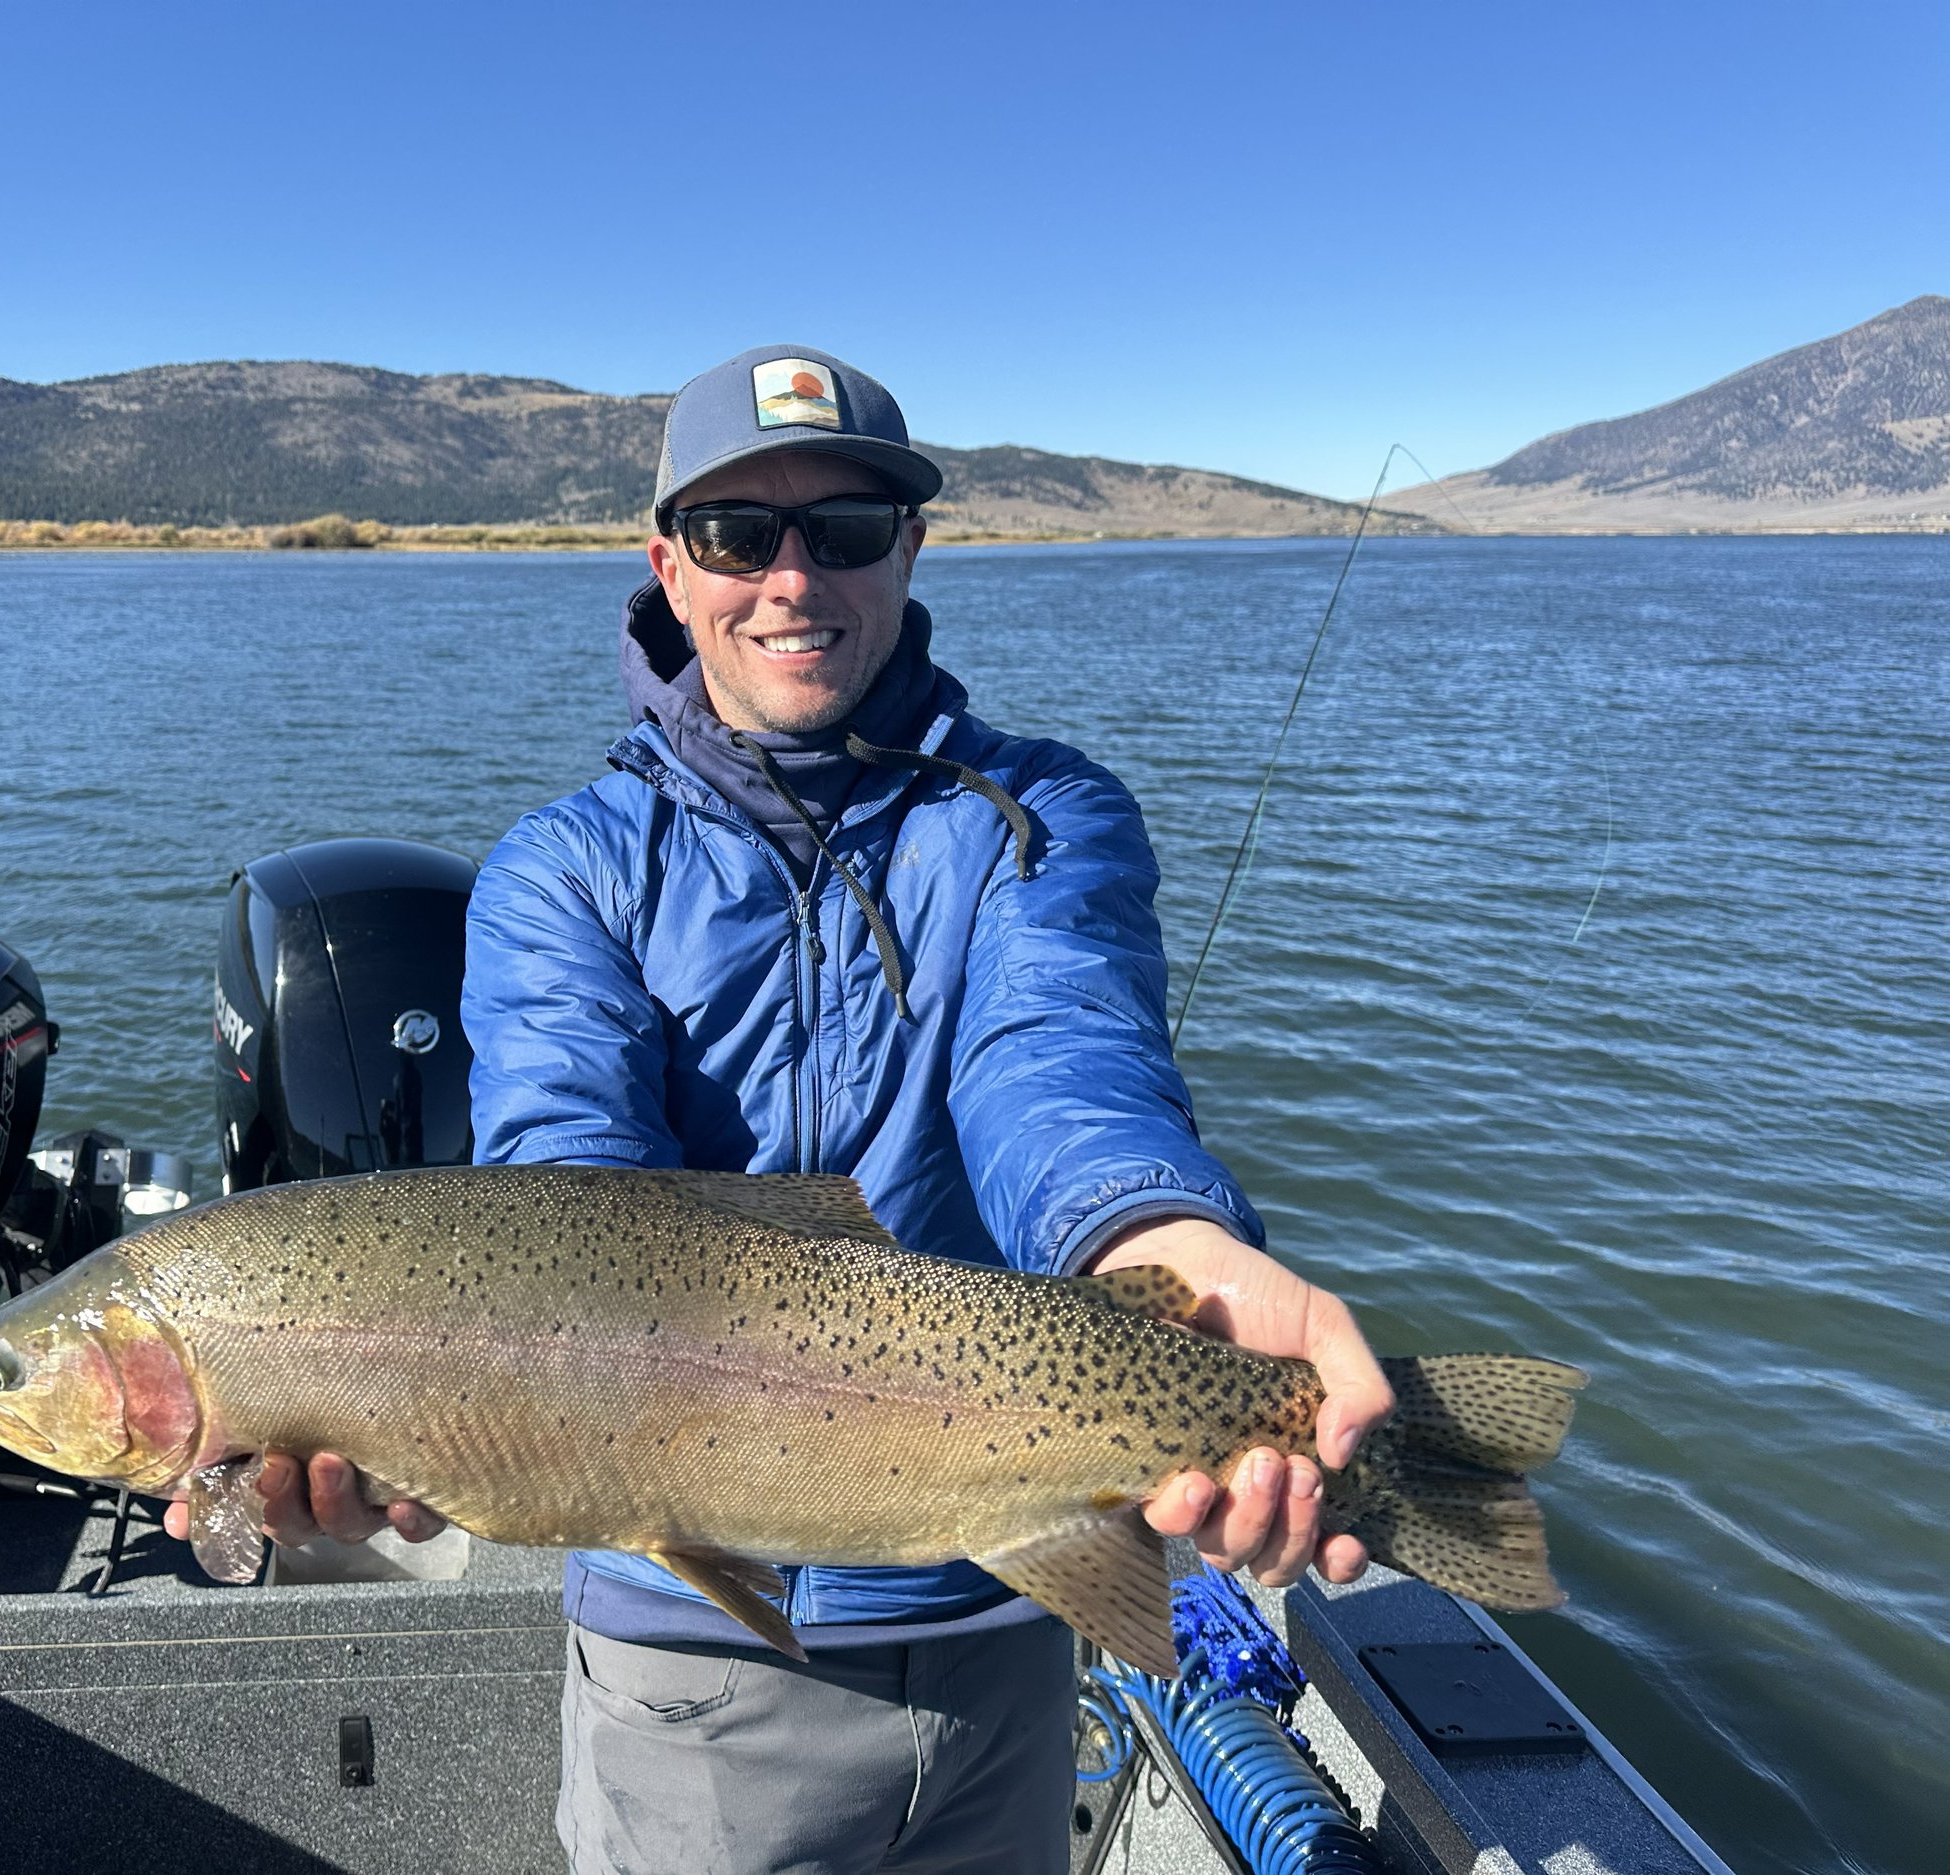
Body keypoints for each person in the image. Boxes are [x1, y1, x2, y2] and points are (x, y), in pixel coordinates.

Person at [169, 345, 1395, 1874]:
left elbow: (1057, 1060)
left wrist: (1166, 1241)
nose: (792, 580)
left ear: (914, 548)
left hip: (1012, 1605)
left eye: (850, 528)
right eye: (743, 536)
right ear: (669, 568)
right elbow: (560, 1194)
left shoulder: (1045, 815)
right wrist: (432, 1424)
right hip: (699, 1663)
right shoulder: (566, 869)